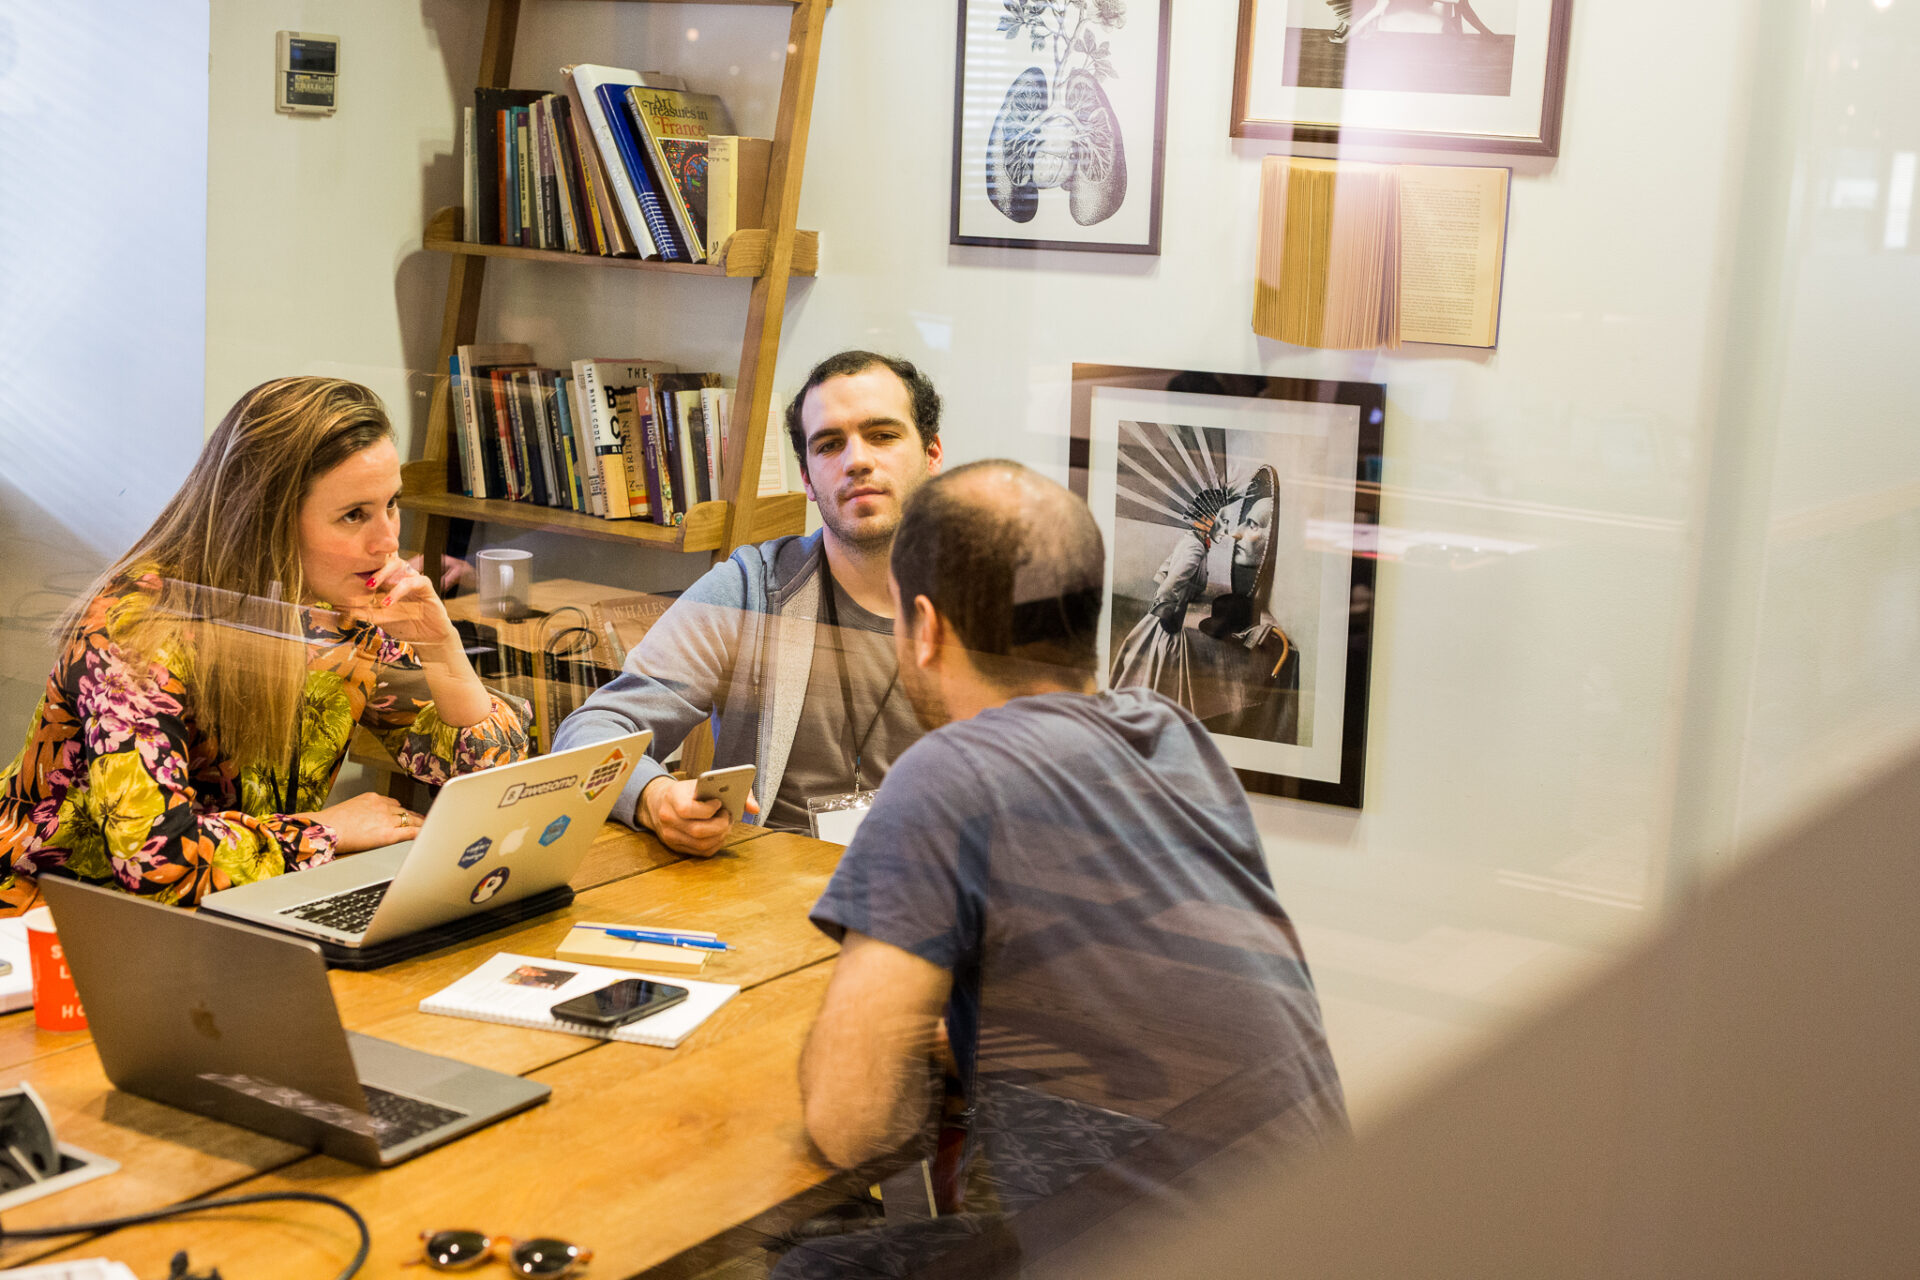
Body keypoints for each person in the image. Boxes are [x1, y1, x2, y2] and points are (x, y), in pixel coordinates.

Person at [793, 462, 1345, 1273]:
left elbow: (851, 1127)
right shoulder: (1171, 737)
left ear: (925, 625)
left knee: (809, 1267)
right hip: (1332, 1235)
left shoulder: (950, 774)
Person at [0, 377, 530, 915]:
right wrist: (326, 830)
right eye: (354, 515)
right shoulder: (137, 631)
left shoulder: (342, 609)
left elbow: (485, 780)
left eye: (391, 504)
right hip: (50, 924)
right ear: (266, 516)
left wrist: (443, 650)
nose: (388, 541)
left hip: (239, 913)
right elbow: (156, 862)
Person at [551, 351, 944, 856]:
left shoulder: (992, 601)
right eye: (828, 445)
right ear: (805, 478)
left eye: (883, 436)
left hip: (934, 894)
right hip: (766, 893)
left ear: (932, 454)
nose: (857, 460)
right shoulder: (749, 589)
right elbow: (590, 731)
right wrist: (654, 797)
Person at [1110, 465, 1300, 743]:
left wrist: (1180, 596)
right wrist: (1170, 607)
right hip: (1167, 626)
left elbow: (1163, 573)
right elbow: (1171, 583)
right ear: (1206, 520)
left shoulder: (1191, 542)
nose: (1228, 530)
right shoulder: (1195, 548)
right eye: (1220, 520)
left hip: (1162, 619)